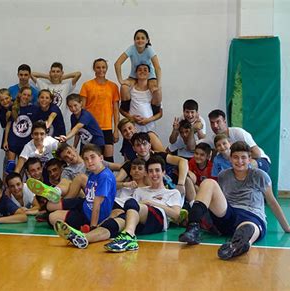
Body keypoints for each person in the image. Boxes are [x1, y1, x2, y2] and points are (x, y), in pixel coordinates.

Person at [179, 141, 290, 260]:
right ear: (230, 159)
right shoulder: (223, 175)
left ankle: (236, 246)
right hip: (228, 215)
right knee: (208, 183)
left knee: (248, 228)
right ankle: (193, 228)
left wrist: (287, 227)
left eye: (243, 157)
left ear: (249, 159)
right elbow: (215, 200)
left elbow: (272, 202)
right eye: (236, 157)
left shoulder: (259, 175)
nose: (240, 161)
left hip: (251, 216)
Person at [53, 156, 181, 251]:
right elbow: (132, 212)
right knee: (116, 222)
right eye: (151, 171)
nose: (154, 174)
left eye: (157, 171)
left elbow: (176, 214)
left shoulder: (172, 192)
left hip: (158, 220)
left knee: (131, 203)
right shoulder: (140, 191)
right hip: (139, 221)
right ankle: (85, 238)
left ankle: (129, 236)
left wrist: (151, 203)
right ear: (147, 173)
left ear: (163, 172)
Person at [29, 144, 117, 231]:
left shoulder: (103, 174)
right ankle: (56, 192)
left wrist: (93, 227)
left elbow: (97, 205)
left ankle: (54, 204)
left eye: (92, 157)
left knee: (52, 217)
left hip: (90, 213)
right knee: (50, 205)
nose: (89, 161)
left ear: (101, 158)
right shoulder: (87, 172)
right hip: (84, 202)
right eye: (86, 159)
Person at [80, 58, 120, 162]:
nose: (101, 70)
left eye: (103, 67)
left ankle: (108, 179)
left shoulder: (113, 86)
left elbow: (116, 110)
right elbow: (82, 109)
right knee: (89, 159)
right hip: (90, 127)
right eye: (98, 67)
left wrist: (116, 130)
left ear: (106, 69)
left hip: (106, 127)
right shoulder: (87, 85)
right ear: (94, 69)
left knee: (108, 159)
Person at [115, 29, 162, 113]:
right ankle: (126, 109)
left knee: (157, 91)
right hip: (134, 75)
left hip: (149, 76)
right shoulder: (131, 49)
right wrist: (121, 80)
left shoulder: (149, 49)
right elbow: (117, 63)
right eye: (138, 38)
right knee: (124, 87)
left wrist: (159, 84)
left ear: (147, 40)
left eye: (143, 38)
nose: (140, 40)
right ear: (134, 40)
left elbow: (157, 67)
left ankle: (155, 111)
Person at [31, 62, 81, 129]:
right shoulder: (44, 85)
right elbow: (31, 74)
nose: (55, 73)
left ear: (62, 73)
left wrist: (62, 77)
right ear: (50, 72)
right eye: (53, 71)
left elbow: (78, 74)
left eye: (58, 72)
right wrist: (48, 77)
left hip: (59, 120)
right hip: (46, 119)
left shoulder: (66, 86)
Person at [119, 63, 162, 133]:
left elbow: (160, 114)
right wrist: (131, 117)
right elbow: (121, 109)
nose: (142, 71)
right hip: (131, 131)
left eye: (145, 70)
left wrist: (148, 120)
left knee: (158, 92)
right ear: (135, 73)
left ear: (149, 74)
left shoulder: (154, 91)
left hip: (149, 129)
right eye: (140, 70)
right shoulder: (130, 89)